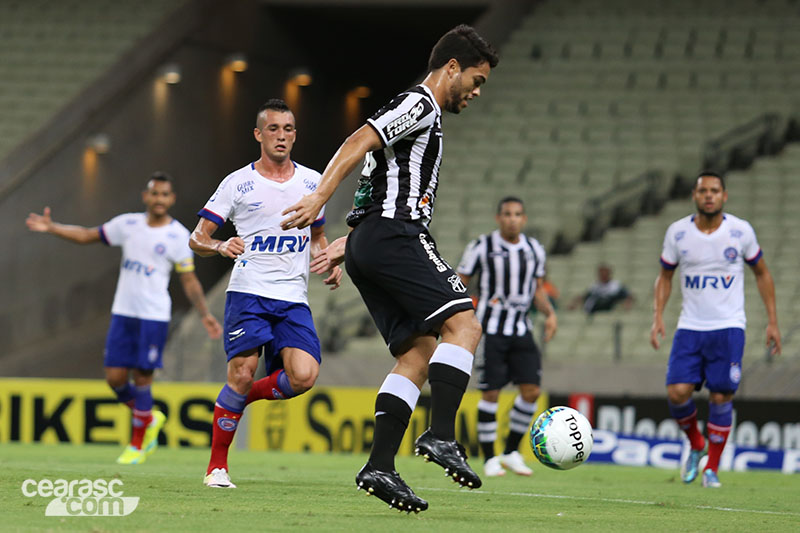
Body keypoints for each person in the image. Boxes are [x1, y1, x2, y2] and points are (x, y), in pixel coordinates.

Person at [282, 24, 499, 513]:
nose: (477, 91)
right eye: (477, 80)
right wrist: (319, 197)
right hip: (397, 233)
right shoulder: (420, 104)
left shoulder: (425, 117)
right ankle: (442, 435)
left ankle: (380, 464)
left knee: (418, 353)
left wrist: (347, 243)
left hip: (369, 241)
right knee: (463, 324)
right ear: (451, 69)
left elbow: (373, 176)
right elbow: (361, 138)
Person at [190, 99, 342, 489]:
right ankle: (217, 467)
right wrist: (221, 246)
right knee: (241, 371)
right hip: (248, 293)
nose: (281, 136)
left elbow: (317, 233)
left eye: (288, 129)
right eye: (273, 129)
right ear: (258, 135)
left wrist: (327, 258)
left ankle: (241, 398)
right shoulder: (238, 183)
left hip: (293, 297)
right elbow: (197, 238)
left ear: (295, 135)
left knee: (304, 376)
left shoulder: (312, 182)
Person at [25, 172, 222, 464]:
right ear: (146, 196)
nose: (159, 199)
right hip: (123, 313)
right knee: (115, 378)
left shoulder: (179, 236)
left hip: (153, 316)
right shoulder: (127, 224)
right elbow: (87, 235)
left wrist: (204, 314)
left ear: (172, 199)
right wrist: (53, 227)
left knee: (142, 379)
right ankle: (149, 417)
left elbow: (189, 279)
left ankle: (137, 446)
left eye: (164, 194)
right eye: (154, 193)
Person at [650, 171, 781, 488]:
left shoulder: (740, 231)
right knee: (676, 392)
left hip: (728, 326)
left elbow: (762, 273)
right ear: (694, 196)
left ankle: (712, 469)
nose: (708, 195)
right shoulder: (678, 233)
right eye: (702, 191)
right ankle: (696, 443)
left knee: (721, 395)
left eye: (714, 190)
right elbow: (665, 276)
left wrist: (772, 321)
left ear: (724, 196)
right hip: (690, 327)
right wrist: (658, 316)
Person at [456, 196, 557, 477]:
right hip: (491, 330)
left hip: (521, 329)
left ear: (524, 219)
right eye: (507, 214)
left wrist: (550, 313)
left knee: (532, 391)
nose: (512, 219)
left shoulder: (535, 249)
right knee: (491, 392)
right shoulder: (481, 246)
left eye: (517, 214)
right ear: (498, 218)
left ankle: (512, 451)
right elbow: (460, 281)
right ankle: (490, 458)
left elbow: (537, 288)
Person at [568, 263, 633, 314]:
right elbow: (584, 296)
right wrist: (574, 303)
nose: (603, 275)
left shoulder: (616, 285)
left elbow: (628, 296)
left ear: (609, 273)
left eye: (605, 273)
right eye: (601, 273)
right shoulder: (595, 286)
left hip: (610, 307)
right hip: (596, 308)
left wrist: (627, 304)